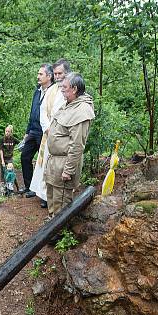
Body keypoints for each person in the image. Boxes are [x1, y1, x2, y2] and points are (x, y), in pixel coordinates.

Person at [45, 73, 95, 217]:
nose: (61, 90)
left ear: (74, 89)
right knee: (53, 199)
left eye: (64, 87)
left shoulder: (82, 110)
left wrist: (68, 170)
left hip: (64, 164)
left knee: (61, 203)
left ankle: (59, 234)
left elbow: (77, 145)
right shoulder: (69, 104)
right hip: (54, 161)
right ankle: (50, 226)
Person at [30, 58, 71, 209]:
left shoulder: (72, 89)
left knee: (59, 168)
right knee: (46, 164)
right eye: (55, 73)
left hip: (64, 136)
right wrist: (47, 128)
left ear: (67, 73)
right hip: (49, 133)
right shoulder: (51, 90)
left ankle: (59, 198)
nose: (58, 76)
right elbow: (42, 111)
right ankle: (45, 194)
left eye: (60, 73)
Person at [21, 64, 54, 197]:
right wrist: (27, 131)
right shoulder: (37, 91)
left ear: (49, 76)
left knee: (44, 162)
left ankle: (43, 192)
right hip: (33, 131)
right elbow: (32, 112)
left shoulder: (54, 92)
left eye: (41, 74)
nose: (38, 77)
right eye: (38, 74)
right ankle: (29, 187)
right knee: (25, 157)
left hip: (45, 133)